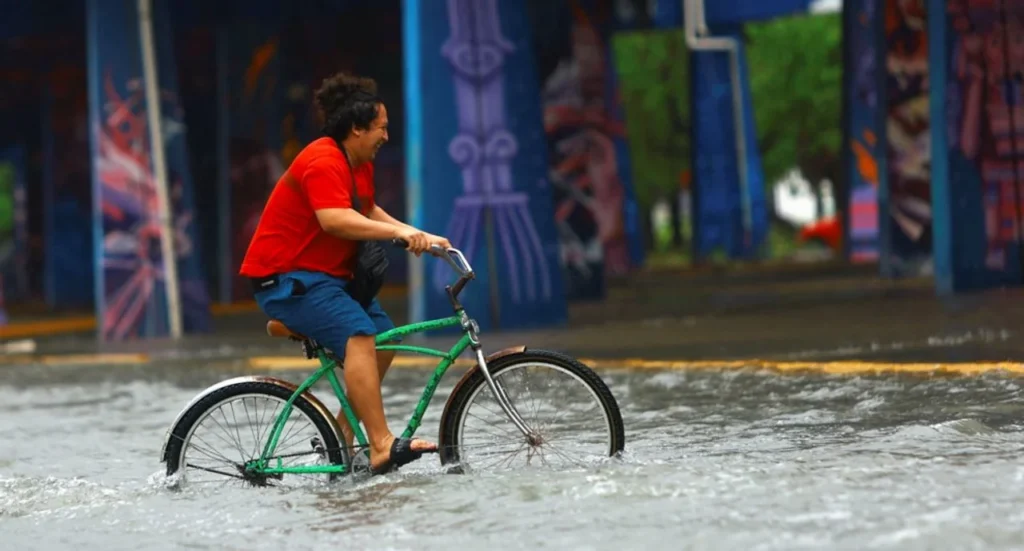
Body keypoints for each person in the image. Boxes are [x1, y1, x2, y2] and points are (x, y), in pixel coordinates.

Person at [239, 71, 449, 474]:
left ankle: (340, 435)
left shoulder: (358, 162)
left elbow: (367, 210)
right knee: (360, 334)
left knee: (383, 338)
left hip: (326, 280)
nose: (386, 136)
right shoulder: (323, 160)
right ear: (357, 128)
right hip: (288, 279)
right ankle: (381, 444)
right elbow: (334, 219)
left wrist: (419, 234)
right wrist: (398, 234)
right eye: (381, 127)